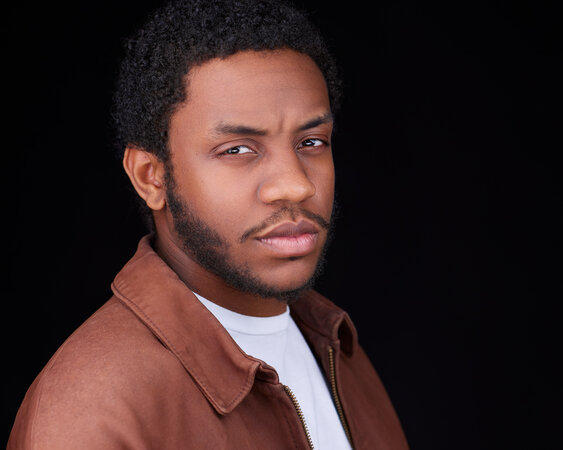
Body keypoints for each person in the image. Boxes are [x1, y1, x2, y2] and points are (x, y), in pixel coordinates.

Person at [8, 0, 409, 448]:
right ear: (151, 177)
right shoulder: (92, 409)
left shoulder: (335, 345)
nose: (296, 185)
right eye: (237, 149)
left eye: (311, 142)